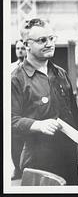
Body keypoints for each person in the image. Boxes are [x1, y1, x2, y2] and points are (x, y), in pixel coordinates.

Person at [11, 18, 78, 185]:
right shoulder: (16, 79)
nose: (49, 44)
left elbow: (72, 112)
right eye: (42, 40)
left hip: (68, 158)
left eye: (51, 38)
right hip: (38, 161)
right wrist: (37, 125)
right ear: (27, 45)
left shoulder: (60, 73)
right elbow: (9, 119)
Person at [11, 39, 27, 180]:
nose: (20, 50)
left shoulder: (30, 68)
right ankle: (17, 168)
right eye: (17, 48)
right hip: (15, 108)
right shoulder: (10, 68)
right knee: (14, 142)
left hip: (27, 108)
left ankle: (26, 169)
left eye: (22, 48)